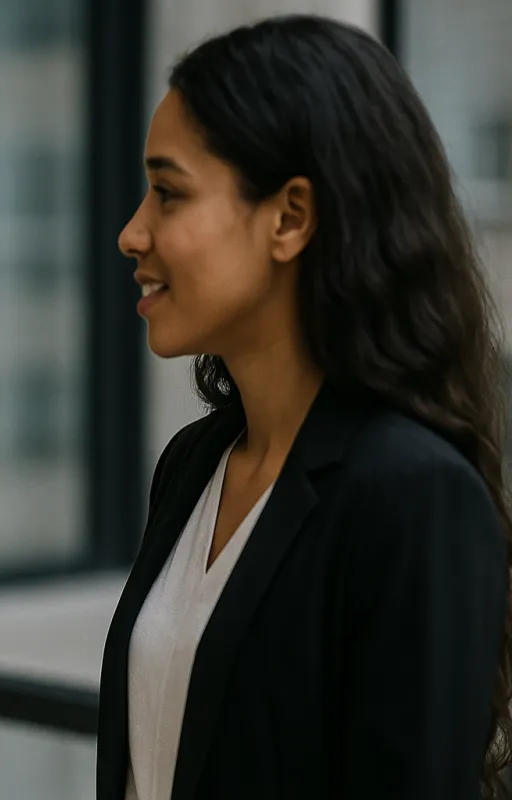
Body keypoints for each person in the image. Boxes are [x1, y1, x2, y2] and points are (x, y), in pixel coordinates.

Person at [99, 14, 511, 800]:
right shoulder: (194, 464)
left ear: (290, 217)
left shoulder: (414, 494)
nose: (131, 232)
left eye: (167, 192)